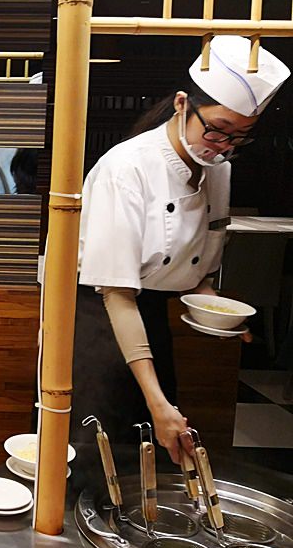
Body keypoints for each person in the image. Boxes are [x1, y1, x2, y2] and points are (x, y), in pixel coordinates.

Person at [68, 36, 289, 461]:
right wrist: (157, 401)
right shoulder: (126, 167)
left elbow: (200, 261)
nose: (222, 147)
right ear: (182, 103)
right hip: (99, 316)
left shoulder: (218, 170)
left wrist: (211, 301)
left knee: (148, 443)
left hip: (150, 315)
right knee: (96, 445)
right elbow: (116, 292)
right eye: (218, 130)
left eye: (238, 138)